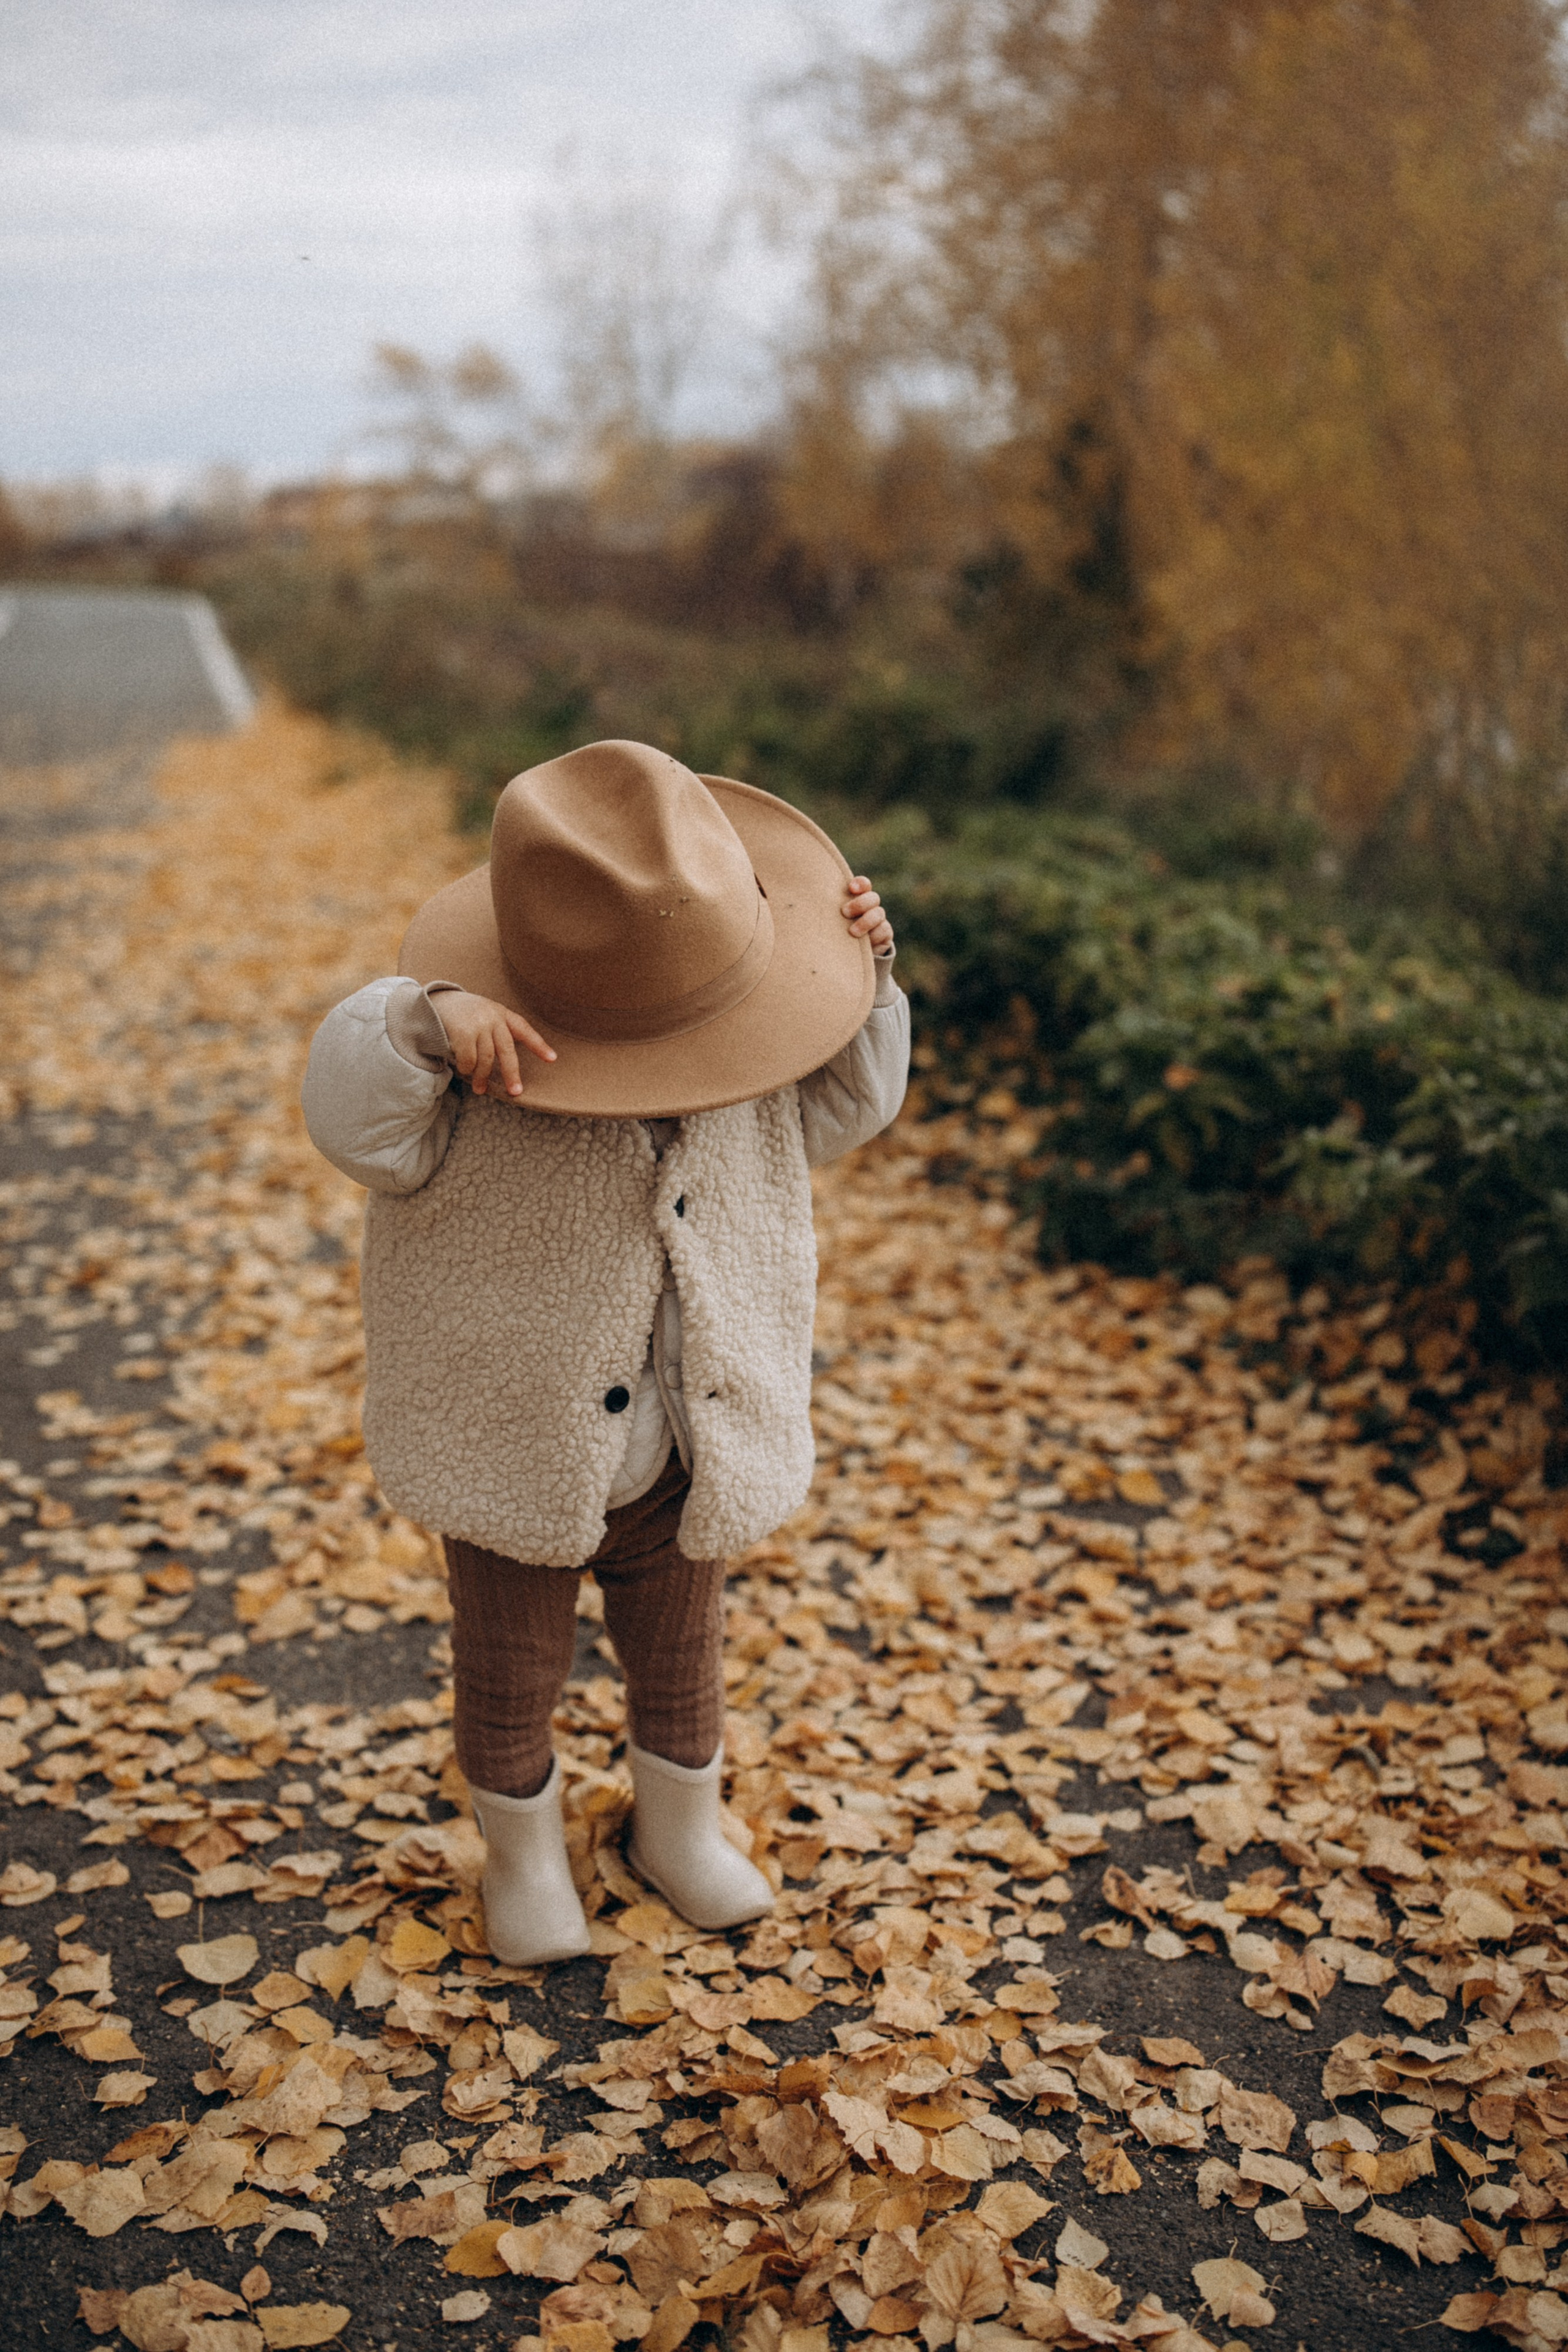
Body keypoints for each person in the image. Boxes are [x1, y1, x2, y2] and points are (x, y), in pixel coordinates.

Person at [301, 738, 909, 1964]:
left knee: (682, 1659)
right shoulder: (475, 1059)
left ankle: (676, 1830)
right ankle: (522, 1858)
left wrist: (864, 979)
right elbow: (350, 1121)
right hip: (516, 1441)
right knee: (510, 1667)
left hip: (690, 1436)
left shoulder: (752, 1053)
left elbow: (853, 1106)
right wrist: (423, 1019)